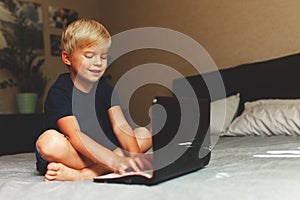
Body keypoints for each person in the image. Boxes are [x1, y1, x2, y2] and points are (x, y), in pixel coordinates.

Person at [35, 18, 153, 181]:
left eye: (103, 57)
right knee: (49, 142)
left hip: (101, 148)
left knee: (143, 134)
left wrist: (136, 159)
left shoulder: (106, 89)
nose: (98, 63)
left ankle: (83, 174)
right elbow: (75, 136)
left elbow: (121, 126)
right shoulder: (59, 91)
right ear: (67, 58)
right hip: (73, 150)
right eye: (89, 56)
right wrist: (115, 161)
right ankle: (108, 165)